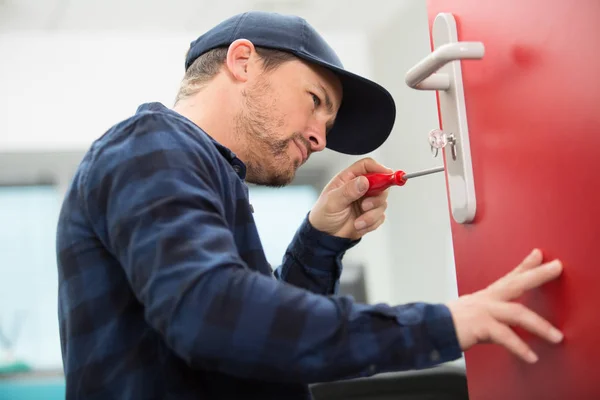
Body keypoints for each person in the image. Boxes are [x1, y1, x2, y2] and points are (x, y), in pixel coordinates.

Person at [55, 10, 564, 399]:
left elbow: (257, 354)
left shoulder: (208, 175)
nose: (322, 138)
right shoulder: (152, 144)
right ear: (243, 62)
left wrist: (321, 240)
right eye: (316, 100)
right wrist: (442, 323)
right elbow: (215, 316)